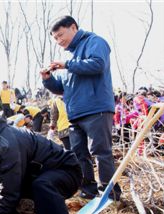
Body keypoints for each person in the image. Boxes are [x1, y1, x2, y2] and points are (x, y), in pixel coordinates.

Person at [41, 15, 120, 200]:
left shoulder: (95, 41)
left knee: (101, 152)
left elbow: (97, 64)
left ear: (73, 27)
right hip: (75, 113)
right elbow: (61, 88)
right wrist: (47, 79)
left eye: (61, 35)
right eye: (55, 38)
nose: (59, 41)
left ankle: (109, 195)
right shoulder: (68, 56)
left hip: (96, 108)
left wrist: (67, 64)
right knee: (78, 155)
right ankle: (88, 190)